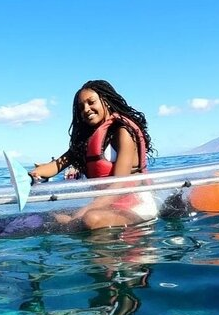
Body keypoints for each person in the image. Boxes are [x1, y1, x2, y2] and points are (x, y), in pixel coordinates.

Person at [30, 80, 157, 230]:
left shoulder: (123, 132)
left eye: (91, 102)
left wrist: (84, 211)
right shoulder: (86, 141)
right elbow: (57, 164)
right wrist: (30, 176)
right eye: (81, 107)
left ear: (106, 101)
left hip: (138, 206)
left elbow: (120, 185)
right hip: (108, 206)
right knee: (54, 217)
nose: (86, 109)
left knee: (90, 218)